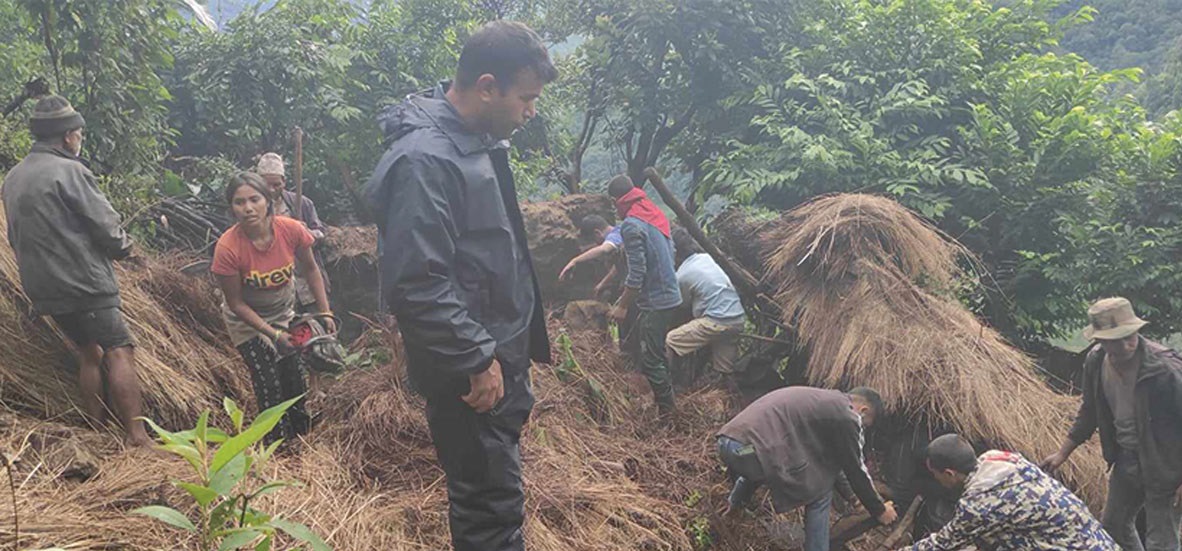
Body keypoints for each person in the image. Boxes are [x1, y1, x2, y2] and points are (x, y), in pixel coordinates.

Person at [362, 20, 556, 551]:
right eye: (526, 98)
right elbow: (417, 281)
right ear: (487, 86)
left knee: (495, 498)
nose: (530, 111)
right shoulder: (427, 159)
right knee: (488, 511)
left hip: (495, 357)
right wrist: (476, 357)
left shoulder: (468, 140)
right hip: (472, 371)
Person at [2, 95, 150, 446]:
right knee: (119, 349)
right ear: (69, 136)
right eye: (79, 134)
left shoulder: (14, 176)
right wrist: (129, 251)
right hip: (85, 283)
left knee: (88, 351)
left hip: (42, 287)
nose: (79, 139)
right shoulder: (71, 171)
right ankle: (138, 437)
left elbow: (13, 236)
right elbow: (107, 229)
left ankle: (96, 431)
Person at [1041, 297, 1182, 551]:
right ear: (1101, 340)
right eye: (1117, 339)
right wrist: (1062, 453)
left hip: (1166, 463)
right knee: (1114, 527)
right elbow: (1089, 412)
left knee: (1161, 541)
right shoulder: (1096, 362)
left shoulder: (1164, 368)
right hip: (1126, 458)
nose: (1128, 343)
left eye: (1130, 335)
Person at [211, 172, 334, 445]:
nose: (248, 208)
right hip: (246, 321)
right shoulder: (228, 249)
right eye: (239, 202)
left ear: (268, 200)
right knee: (268, 380)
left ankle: (301, 437)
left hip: (283, 311)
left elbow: (312, 270)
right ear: (232, 207)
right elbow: (236, 303)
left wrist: (325, 312)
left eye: (254, 199)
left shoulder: (291, 230)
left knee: (293, 374)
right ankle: (275, 444)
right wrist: (273, 335)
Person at [716, 386, 897, 551]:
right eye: (865, 425)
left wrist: (854, 499)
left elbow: (835, 464)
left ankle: (734, 507)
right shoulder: (847, 416)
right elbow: (855, 468)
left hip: (732, 445)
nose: (862, 427)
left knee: (769, 458)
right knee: (821, 493)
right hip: (749, 452)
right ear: (863, 411)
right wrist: (879, 510)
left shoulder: (824, 401)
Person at [902, 434, 1117, 550]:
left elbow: (944, 543)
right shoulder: (998, 459)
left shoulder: (978, 505)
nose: (936, 480)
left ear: (949, 473)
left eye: (935, 475)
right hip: (1098, 541)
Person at [606, 174, 682, 413]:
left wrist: (622, 306)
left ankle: (669, 414)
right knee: (656, 352)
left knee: (651, 359)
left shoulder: (631, 224)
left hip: (656, 301)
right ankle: (666, 401)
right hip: (670, 294)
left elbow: (637, 273)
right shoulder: (654, 214)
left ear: (618, 201)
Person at [254, 152, 331, 314]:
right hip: (272, 291)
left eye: (276, 184)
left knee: (319, 330)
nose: (271, 189)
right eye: (266, 184)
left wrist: (307, 233)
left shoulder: (302, 203)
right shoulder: (251, 208)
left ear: (284, 182)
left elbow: (322, 233)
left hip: (307, 286)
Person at [666, 227, 746, 375]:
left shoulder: (682, 275)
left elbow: (682, 304)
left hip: (716, 320)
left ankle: (664, 384)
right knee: (724, 371)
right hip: (737, 320)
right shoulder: (707, 258)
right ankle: (727, 395)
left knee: (671, 341)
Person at [559, 214, 621, 299]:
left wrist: (575, 261)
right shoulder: (619, 229)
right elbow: (617, 268)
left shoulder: (616, 235)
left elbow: (604, 249)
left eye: (595, 241)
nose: (597, 244)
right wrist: (602, 284)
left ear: (597, 233)